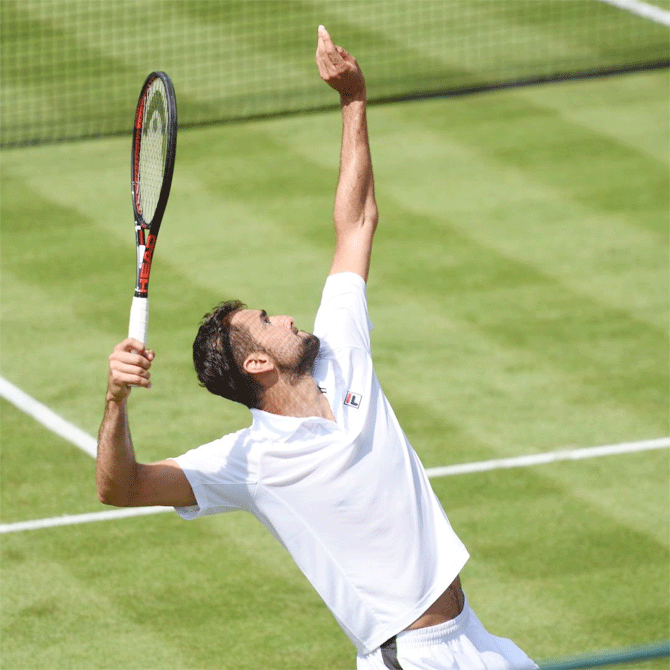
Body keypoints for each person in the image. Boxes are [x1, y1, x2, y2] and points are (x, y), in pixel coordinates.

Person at [97, 26, 538, 670]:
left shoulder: (339, 350)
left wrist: (353, 102)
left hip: (476, 639)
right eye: (269, 320)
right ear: (256, 362)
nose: (291, 317)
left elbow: (355, 220)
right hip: (411, 660)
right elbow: (123, 487)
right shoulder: (248, 461)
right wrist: (114, 401)